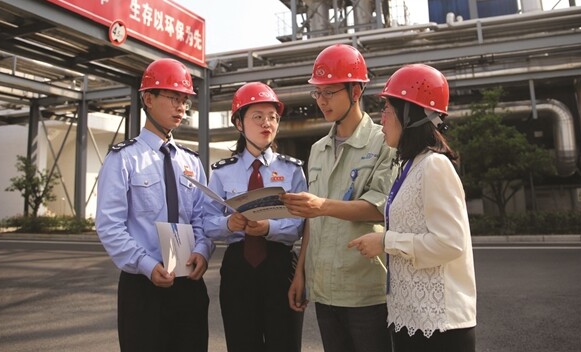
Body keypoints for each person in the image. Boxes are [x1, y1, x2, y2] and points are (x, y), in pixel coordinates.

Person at [348, 64, 477, 352]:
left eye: (386, 110)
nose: (381, 120)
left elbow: (450, 243)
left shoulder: (435, 166)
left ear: (409, 116)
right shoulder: (408, 167)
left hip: (441, 326)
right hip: (409, 318)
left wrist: (386, 241)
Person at [281, 44, 398, 352]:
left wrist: (322, 206)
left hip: (365, 288)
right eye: (317, 93)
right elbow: (312, 220)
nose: (322, 101)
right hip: (324, 289)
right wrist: (301, 273)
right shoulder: (318, 149)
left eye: (330, 92)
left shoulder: (383, 142)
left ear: (356, 91)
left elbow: (380, 207)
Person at [96, 58, 214, 352]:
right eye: (174, 98)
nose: (181, 107)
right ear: (148, 99)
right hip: (143, 287)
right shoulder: (123, 159)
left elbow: (202, 217)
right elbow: (110, 225)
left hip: (188, 281)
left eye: (185, 100)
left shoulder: (191, 161)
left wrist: (202, 250)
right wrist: (147, 266)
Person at [203, 82, 306, 352]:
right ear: (239, 123)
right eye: (257, 117)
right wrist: (229, 223)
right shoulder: (222, 172)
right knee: (242, 343)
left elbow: (300, 223)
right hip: (238, 268)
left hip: (280, 264)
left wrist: (269, 228)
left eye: (272, 117)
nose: (266, 123)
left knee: (284, 344)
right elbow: (207, 221)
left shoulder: (292, 170)